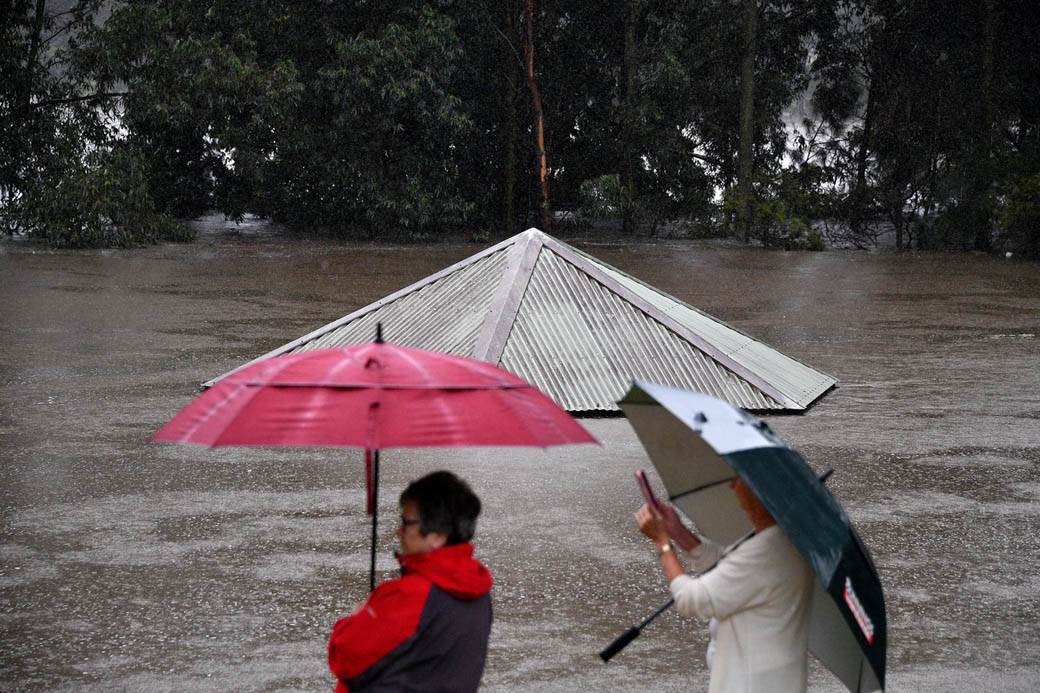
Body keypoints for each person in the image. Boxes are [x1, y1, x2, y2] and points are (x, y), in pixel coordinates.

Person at [635, 475, 813, 693]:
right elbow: (729, 568)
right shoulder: (776, 539)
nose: (732, 485)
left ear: (759, 491)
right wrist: (679, 533)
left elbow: (690, 599)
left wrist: (662, 542)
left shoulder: (766, 550)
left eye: (739, 479)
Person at [328, 471, 493, 692]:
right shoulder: (480, 594)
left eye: (407, 522)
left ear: (437, 536)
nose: (399, 530)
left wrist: (357, 618)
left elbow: (343, 657)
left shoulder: (410, 596)